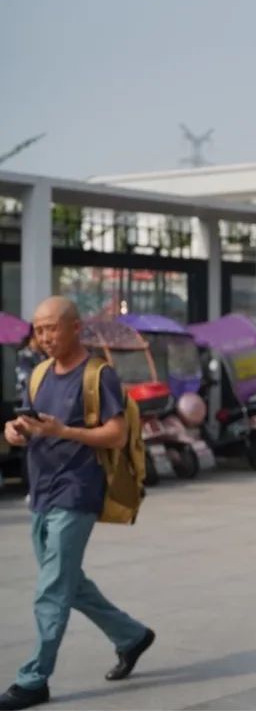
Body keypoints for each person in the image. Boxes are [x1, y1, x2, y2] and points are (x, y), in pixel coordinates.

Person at [0, 297, 155, 711]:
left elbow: (116, 435)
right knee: (69, 582)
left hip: (78, 492)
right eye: (39, 329)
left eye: (51, 328)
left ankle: (35, 679)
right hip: (42, 489)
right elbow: (34, 423)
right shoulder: (37, 373)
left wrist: (64, 432)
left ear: (76, 328)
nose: (44, 337)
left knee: (52, 587)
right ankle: (131, 636)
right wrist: (17, 431)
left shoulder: (98, 376)